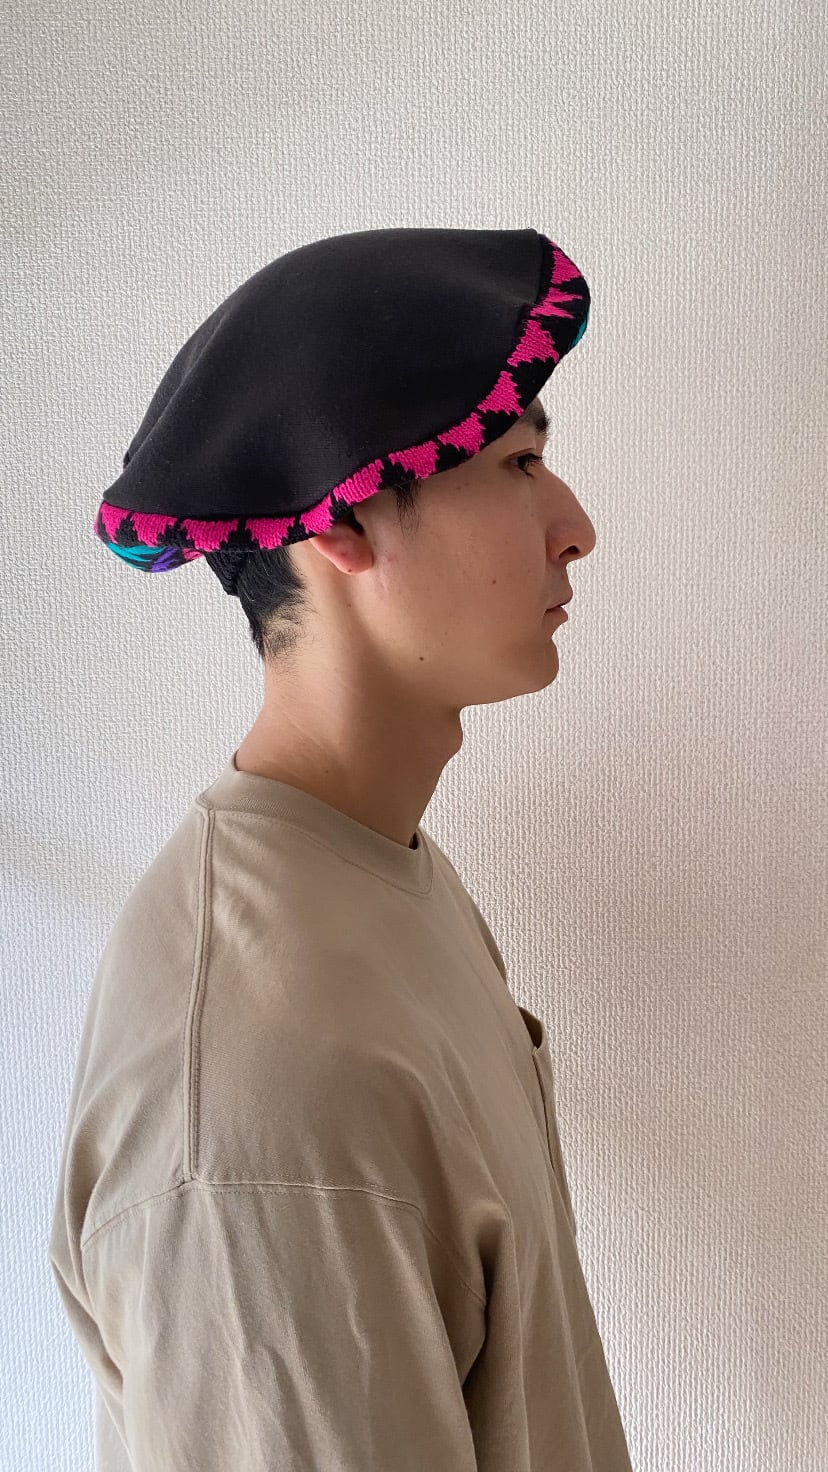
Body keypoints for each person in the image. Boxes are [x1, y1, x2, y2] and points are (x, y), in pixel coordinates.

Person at [49, 226, 634, 1470]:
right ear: (350, 515)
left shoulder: (376, 866)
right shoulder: (255, 1092)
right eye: (522, 462)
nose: (575, 527)